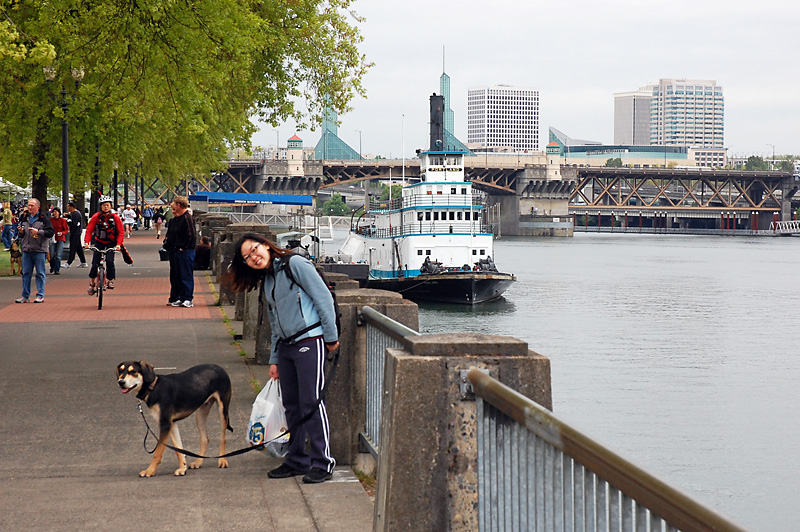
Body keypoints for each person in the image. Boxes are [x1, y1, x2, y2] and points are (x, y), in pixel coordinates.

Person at [223, 232, 338, 484]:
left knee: (312, 402)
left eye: (254, 249)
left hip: (310, 340)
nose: (254, 257)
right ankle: (296, 459)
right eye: (247, 257)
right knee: (292, 406)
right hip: (286, 348)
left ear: (265, 245)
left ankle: (323, 462)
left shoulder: (294, 264)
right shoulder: (267, 280)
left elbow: (323, 299)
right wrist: (274, 360)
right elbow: (275, 324)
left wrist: (330, 337)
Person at [15, 198, 54, 303]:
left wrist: (38, 232)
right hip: (27, 249)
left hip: (39, 249)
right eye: (29, 205)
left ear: (38, 207)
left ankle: (40, 295)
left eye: (32, 205)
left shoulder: (43, 219)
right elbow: (21, 235)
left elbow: (50, 232)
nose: (30, 208)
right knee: (26, 273)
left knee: (40, 273)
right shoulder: (24, 218)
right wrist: (21, 232)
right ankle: (25, 296)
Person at [84, 195, 124, 294]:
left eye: (107, 205)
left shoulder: (115, 218)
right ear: (100, 207)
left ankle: (110, 280)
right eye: (103, 205)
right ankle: (92, 283)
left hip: (111, 242)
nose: (106, 207)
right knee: (94, 263)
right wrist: (86, 243)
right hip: (99, 241)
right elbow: (89, 230)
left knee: (110, 261)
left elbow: (121, 232)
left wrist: (118, 244)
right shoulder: (96, 217)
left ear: (111, 206)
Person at [162, 196, 196, 307]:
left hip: (185, 251)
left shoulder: (187, 218)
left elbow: (191, 235)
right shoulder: (175, 220)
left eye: (174, 206)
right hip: (175, 250)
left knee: (185, 274)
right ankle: (180, 297)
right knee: (176, 275)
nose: (173, 209)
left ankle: (188, 298)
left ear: (179, 205)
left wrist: (184, 247)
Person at [64, 202, 88, 268]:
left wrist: (67, 220)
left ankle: (69, 262)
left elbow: (74, 223)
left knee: (73, 247)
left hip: (75, 233)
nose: (67, 208)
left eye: (68, 207)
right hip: (76, 232)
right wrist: (68, 216)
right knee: (78, 248)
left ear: (72, 207)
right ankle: (83, 262)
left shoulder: (76, 214)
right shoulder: (75, 214)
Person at [48, 207, 69, 275]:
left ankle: (57, 269)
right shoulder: (50, 220)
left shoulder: (63, 221)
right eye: (54, 212)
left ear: (59, 213)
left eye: (56, 212)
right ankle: (52, 266)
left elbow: (66, 230)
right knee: (52, 255)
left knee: (58, 255)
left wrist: (62, 233)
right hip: (52, 238)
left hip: (60, 238)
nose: (55, 213)